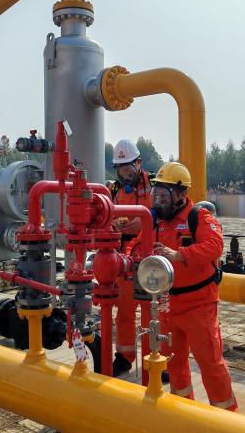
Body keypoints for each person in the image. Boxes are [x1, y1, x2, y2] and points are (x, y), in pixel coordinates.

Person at [149, 161, 238, 411]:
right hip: (168, 304)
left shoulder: (198, 217)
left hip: (199, 304)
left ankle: (226, 417)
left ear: (181, 194)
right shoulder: (156, 221)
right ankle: (183, 411)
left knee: (210, 363)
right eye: (156, 194)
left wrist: (179, 254)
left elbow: (215, 246)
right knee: (174, 363)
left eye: (164, 195)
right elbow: (138, 244)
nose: (159, 201)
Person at [109, 139, 151, 376]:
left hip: (149, 256)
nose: (125, 174)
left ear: (138, 163)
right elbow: (105, 216)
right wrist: (114, 223)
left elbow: (168, 216)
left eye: (128, 168)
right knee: (124, 310)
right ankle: (124, 357)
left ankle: (156, 359)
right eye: (120, 169)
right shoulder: (114, 190)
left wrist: (144, 224)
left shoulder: (155, 186)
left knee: (151, 312)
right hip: (124, 257)